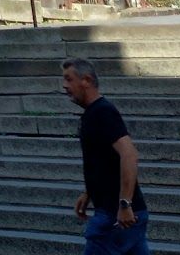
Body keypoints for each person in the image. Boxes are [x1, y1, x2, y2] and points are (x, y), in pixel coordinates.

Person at [62, 57, 148, 254]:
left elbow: (129, 155)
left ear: (86, 80)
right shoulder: (94, 113)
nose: (64, 85)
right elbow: (103, 160)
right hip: (123, 214)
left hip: (114, 217)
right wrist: (90, 191)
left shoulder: (102, 112)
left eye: (69, 79)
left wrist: (125, 204)